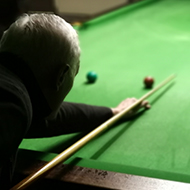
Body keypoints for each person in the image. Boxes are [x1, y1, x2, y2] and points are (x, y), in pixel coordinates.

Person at [0, 13, 150, 189]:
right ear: (61, 76)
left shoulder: (16, 93)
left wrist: (112, 112)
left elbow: (48, 119)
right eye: (74, 73)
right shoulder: (12, 102)